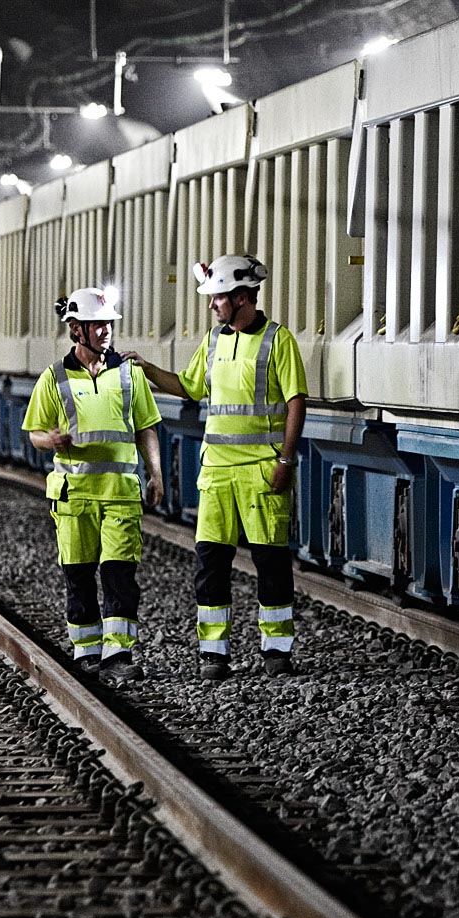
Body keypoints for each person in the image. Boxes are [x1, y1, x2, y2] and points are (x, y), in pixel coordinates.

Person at [125, 255, 306, 681]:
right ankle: (214, 653)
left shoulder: (278, 341)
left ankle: (276, 651)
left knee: (271, 564)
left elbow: (297, 402)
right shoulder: (212, 341)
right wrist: (147, 369)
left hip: (262, 471)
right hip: (217, 474)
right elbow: (189, 387)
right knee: (211, 564)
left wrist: (286, 459)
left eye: (217, 298)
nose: (211, 306)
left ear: (242, 297)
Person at [23, 286, 163, 684]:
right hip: (75, 496)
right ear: (75, 330)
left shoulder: (130, 374)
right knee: (79, 574)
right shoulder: (54, 378)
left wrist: (155, 473)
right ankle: (86, 651)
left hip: (120, 494)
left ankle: (118, 653)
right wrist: (50, 440)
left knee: (120, 574)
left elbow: (146, 428)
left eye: (108, 324)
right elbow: (34, 432)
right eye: (96, 324)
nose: (105, 331)